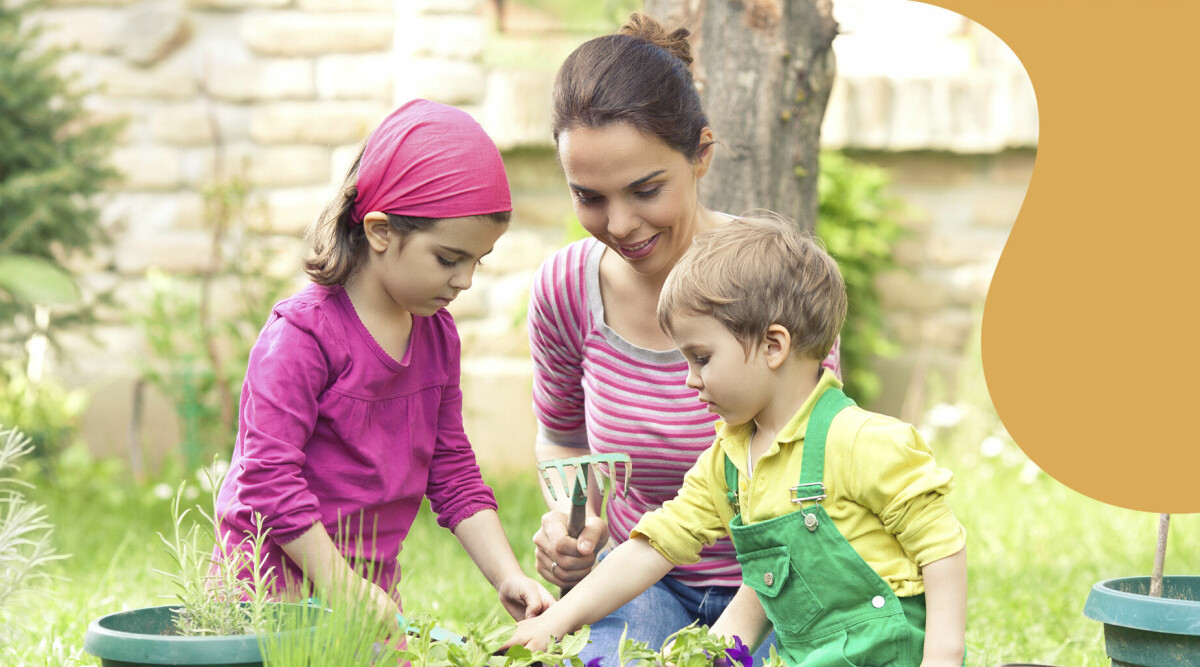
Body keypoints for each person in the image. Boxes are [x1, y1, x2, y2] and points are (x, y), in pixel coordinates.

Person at [512, 215, 968, 665]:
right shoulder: (729, 459)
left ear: (774, 345)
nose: (689, 381)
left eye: (701, 358)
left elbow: (941, 545)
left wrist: (942, 656)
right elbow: (658, 548)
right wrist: (558, 621)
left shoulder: (863, 441)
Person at [527, 12, 840, 664]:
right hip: (644, 575)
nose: (619, 223)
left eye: (645, 190)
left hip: (780, 581)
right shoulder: (566, 289)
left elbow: (818, 481)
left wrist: (728, 643)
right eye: (589, 196)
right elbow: (564, 435)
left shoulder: (774, 279)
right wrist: (574, 522)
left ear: (701, 153)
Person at [214, 99, 554, 630]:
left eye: (476, 261)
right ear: (380, 231)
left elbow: (453, 469)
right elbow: (267, 482)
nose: (464, 280)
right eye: (448, 259)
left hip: (364, 600)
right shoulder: (301, 338)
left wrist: (507, 576)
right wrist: (344, 587)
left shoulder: (436, 335)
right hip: (264, 600)